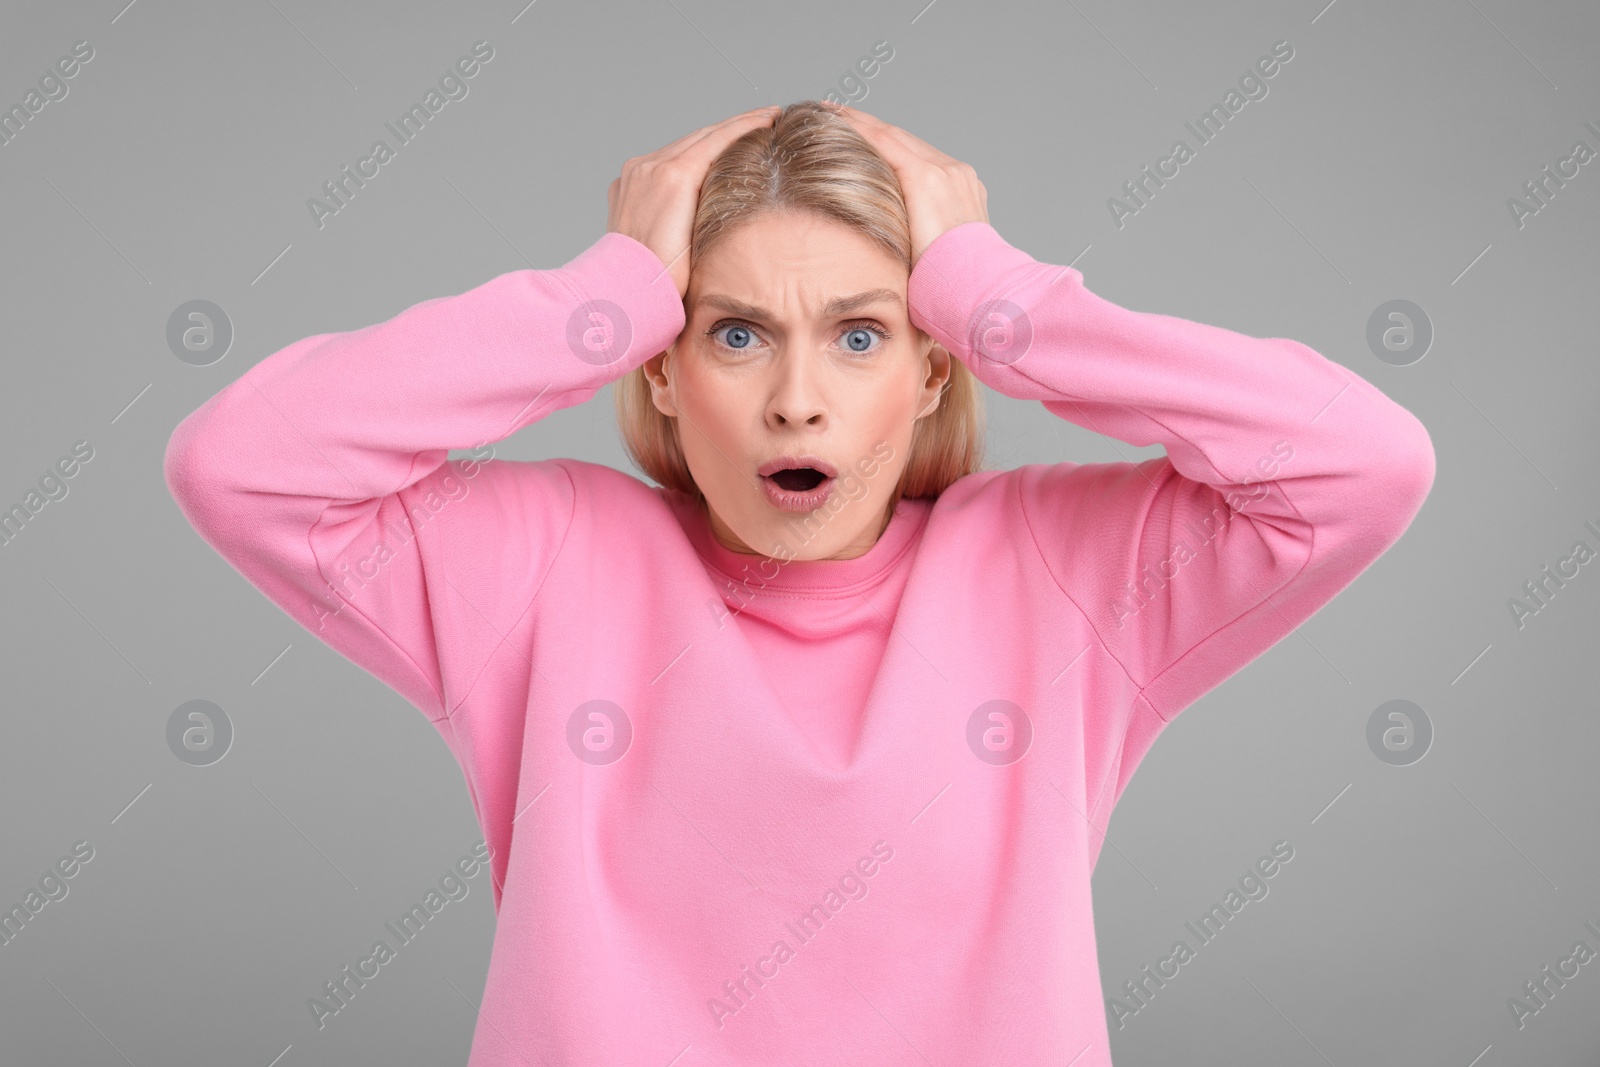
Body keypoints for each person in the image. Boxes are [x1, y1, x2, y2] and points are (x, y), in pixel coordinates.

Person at [163, 100, 1435, 1064]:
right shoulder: (552, 562)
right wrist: (593, 297)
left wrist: (1005, 299)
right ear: (660, 365)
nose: (795, 398)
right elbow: (241, 462)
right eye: (733, 333)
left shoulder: (1056, 574)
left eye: (861, 333)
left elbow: (1359, 462)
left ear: (934, 371)